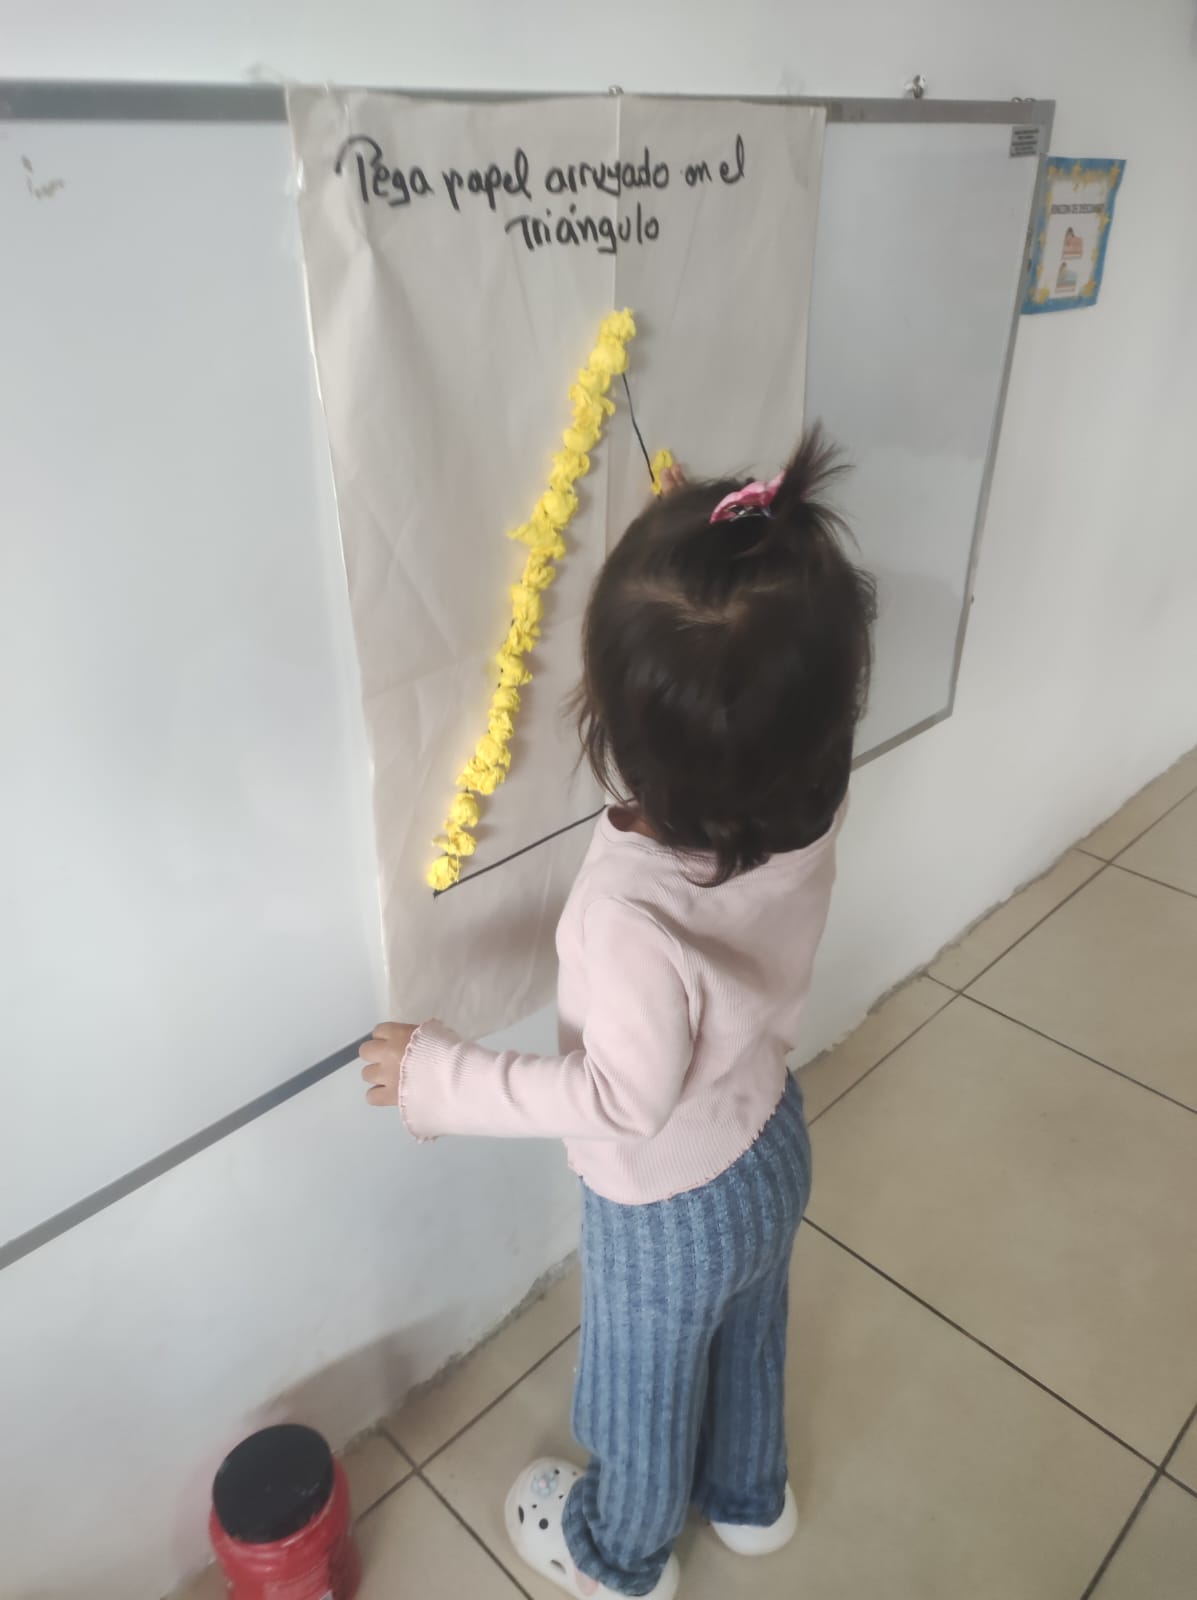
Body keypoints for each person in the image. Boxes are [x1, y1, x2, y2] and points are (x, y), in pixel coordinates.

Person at [360, 426, 877, 1599]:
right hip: (771, 1143)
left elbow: (620, 1096)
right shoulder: (809, 797)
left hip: (669, 1209)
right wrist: (722, 605)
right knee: (750, 1340)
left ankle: (621, 1553)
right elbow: (766, 692)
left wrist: (444, 1079)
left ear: (611, 727)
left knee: (643, 1393)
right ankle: (750, 1498)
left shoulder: (628, 913)